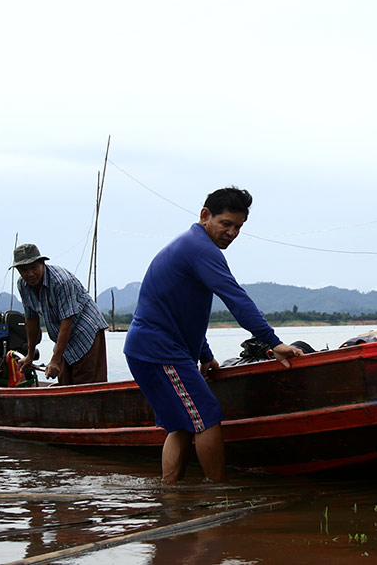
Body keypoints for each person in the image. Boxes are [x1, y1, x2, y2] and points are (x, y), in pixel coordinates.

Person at [124, 187, 303, 483]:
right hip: (159, 350)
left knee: (180, 424)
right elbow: (237, 300)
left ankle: (172, 495)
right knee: (206, 416)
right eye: (226, 224)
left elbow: (185, 313)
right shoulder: (200, 249)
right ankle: (218, 493)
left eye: (238, 227)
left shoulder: (192, 246)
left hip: (151, 348)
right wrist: (274, 343)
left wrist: (205, 356)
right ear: (205, 215)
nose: (232, 233)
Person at [11, 243, 109, 385]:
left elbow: (66, 322)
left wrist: (56, 359)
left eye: (34, 268)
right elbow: (31, 320)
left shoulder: (61, 282)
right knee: (64, 382)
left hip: (86, 333)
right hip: (63, 339)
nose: (30, 274)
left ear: (42, 264)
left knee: (86, 383)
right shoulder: (23, 285)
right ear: (19, 270)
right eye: (24, 270)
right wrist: (29, 356)